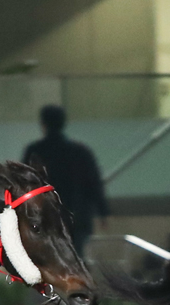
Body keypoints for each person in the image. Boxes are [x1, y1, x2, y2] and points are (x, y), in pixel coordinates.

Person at [22, 105, 107, 255]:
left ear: (43, 124)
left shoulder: (35, 152)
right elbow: (94, 184)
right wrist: (103, 212)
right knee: (74, 255)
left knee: (48, 257)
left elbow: (24, 183)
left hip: (45, 216)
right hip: (77, 216)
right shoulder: (80, 152)